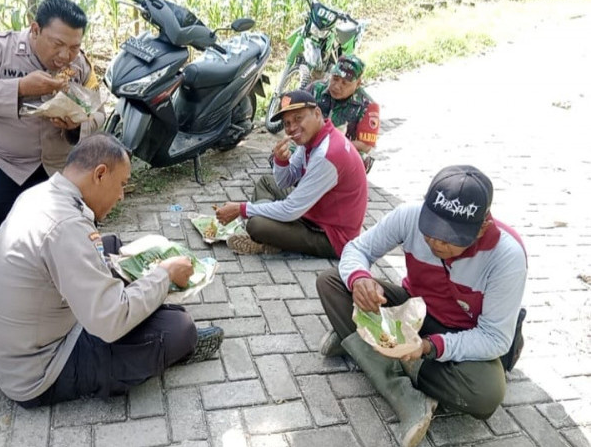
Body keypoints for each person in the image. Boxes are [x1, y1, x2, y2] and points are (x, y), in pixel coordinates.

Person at [0, 133, 224, 407]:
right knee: (177, 327)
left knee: (111, 246)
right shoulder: (66, 226)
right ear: (100, 174)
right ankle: (178, 350)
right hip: (39, 372)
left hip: (14, 354)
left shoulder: (40, 194)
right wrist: (163, 275)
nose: (120, 196)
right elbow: (110, 321)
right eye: (121, 185)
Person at [316, 165, 527, 447]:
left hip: (461, 334)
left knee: (486, 394)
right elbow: (357, 249)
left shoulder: (507, 256)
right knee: (331, 283)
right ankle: (405, 395)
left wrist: (430, 347)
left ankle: (359, 343)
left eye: (451, 237)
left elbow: (495, 338)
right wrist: (360, 280)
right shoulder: (409, 215)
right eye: (432, 229)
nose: (436, 241)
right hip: (414, 308)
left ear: (482, 228)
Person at [0, 0, 106, 236]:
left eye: (73, 47)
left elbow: (100, 115)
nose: (65, 55)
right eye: (57, 44)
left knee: (86, 217)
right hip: (6, 160)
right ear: (35, 30)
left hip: (57, 165)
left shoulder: (81, 65)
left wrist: (75, 126)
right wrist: (19, 87)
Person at [216, 90, 368, 259]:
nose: (292, 128)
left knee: (256, 224)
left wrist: (241, 209)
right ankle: (273, 237)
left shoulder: (328, 154)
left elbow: (291, 209)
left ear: (317, 113)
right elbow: (284, 182)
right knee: (267, 182)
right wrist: (281, 161)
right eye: (287, 123)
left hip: (332, 237)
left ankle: (270, 239)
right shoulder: (313, 139)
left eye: (298, 118)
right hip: (312, 211)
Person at [306, 54, 380, 173]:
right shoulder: (315, 89)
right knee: (282, 153)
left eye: (345, 83)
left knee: (361, 160)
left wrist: (331, 147)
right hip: (309, 144)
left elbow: (365, 145)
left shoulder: (368, 106)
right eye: (335, 78)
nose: (337, 86)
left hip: (340, 151)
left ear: (358, 83)